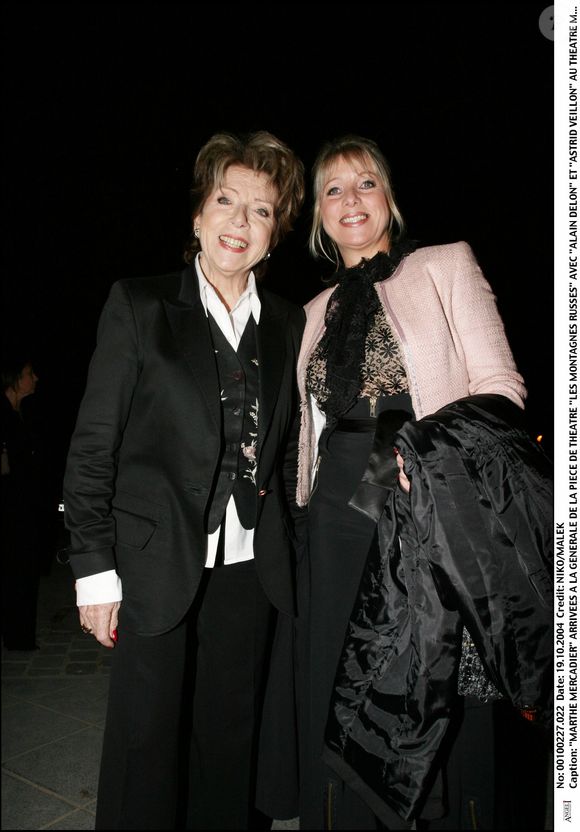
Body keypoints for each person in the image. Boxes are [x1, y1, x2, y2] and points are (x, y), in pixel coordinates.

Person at [291, 135, 549, 830]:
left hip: (427, 491)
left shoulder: (443, 265)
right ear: (318, 214)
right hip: (335, 512)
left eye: (365, 183)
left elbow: (501, 384)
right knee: (341, 674)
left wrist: (434, 449)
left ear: (389, 197)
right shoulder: (311, 312)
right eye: (333, 189)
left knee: (436, 671)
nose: (351, 200)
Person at [63, 130, 305, 830]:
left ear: (274, 234)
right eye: (226, 200)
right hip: (151, 563)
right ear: (198, 215)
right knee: (146, 745)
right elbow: (93, 449)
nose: (240, 221)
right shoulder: (139, 306)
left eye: (261, 210)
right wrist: (94, 572)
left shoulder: (287, 323)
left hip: (249, 570)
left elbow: (290, 448)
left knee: (229, 746)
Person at [1, 355, 47, 651]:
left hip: (23, 508)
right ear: (15, 378)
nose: (35, 378)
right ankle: (17, 636)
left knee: (23, 570)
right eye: (30, 373)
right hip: (9, 509)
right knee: (15, 571)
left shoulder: (22, 413)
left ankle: (20, 635)